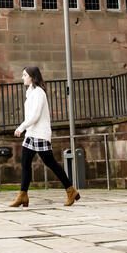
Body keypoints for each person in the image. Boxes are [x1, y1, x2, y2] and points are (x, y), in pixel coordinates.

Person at [9, 65, 80, 208]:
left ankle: (71, 190)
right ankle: (23, 195)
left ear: (32, 77)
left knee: (51, 163)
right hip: (31, 134)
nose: (22, 77)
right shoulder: (31, 92)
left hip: (39, 134)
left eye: (24, 75)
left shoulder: (39, 93)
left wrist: (21, 127)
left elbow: (35, 115)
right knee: (25, 164)